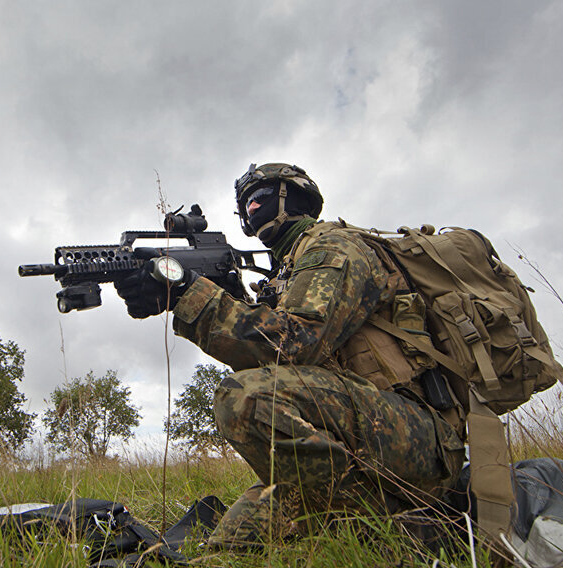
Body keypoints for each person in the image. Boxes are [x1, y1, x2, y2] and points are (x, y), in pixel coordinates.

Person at [114, 163, 465, 548]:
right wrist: (211, 296)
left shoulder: (334, 248)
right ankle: (360, 520)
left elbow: (294, 345)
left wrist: (189, 293)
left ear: (294, 197)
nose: (251, 210)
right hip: (363, 430)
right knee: (230, 548)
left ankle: (397, 521)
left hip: (421, 436)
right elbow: (277, 363)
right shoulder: (289, 269)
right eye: (245, 205)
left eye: (260, 199)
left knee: (246, 397)